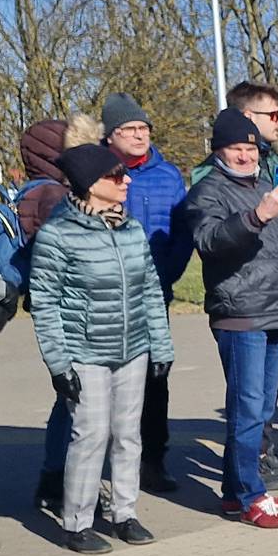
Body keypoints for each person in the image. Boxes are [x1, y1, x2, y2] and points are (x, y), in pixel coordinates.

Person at [29, 144, 175, 553]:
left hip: (133, 350)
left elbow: (149, 289)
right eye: (116, 175)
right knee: (90, 435)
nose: (126, 179)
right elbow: (44, 302)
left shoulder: (131, 230)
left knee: (129, 435)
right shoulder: (58, 235)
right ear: (91, 185)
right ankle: (77, 521)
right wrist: (59, 364)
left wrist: (160, 347)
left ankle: (124, 514)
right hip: (85, 352)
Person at [181, 109, 278, 527]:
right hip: (241, 314)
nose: (244, 156)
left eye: (250, 148)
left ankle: (235, 491)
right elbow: (210, 241)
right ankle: (253, 496)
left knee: (261, 406)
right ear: (219, 151)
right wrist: (258, 215)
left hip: (277, 310)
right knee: (248, 407)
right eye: (235, 148)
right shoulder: (208, 192)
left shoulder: (266, 185)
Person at [99, 95, 192, 494]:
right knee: (105, 385)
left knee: (156, 378)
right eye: (129, 129)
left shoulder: (168, 175)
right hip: (106, 297)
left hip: (154, 294)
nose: (139, 136)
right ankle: (100, 465)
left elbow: (182, 233)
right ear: (110, 136)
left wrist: (164, 275)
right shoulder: (97, 171)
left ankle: (153, 460)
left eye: (144, 129)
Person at [22, 117, 96, 513]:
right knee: (77, 402)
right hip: (72, 313)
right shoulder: (53, 196)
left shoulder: (40, 190)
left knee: (68, 401)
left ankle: (55, 480)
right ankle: (65, 484)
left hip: (62, 310)